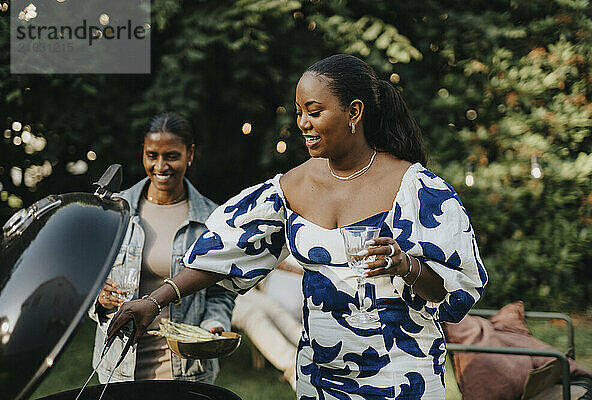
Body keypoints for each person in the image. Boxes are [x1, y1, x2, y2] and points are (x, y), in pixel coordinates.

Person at [108, 54, 488, 399]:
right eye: (299, 111)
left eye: (315, 111)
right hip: (319, 379)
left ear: (354, 112)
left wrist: (406, 265)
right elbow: (223, 250)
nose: (302, 123)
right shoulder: (292, 186)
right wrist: (153, 300)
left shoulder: (418, 189)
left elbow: (454, 293)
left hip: (402, 375)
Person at [89, 112, 236, 384]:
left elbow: (220, 292)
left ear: (190, 154)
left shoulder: (212, 220)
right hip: (119, 367)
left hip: (187, 370)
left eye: (171, 156)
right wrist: (98, 298)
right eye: (152, 155)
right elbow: (88, 279)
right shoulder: (115, 212)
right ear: (142, 154)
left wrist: (214, 326)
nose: (160, 166)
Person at [231, 257, 304, 391]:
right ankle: (293, 366)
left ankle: (309, 346)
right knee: (252, 314)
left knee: (271, 306)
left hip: (227, 290)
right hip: (205, 301)